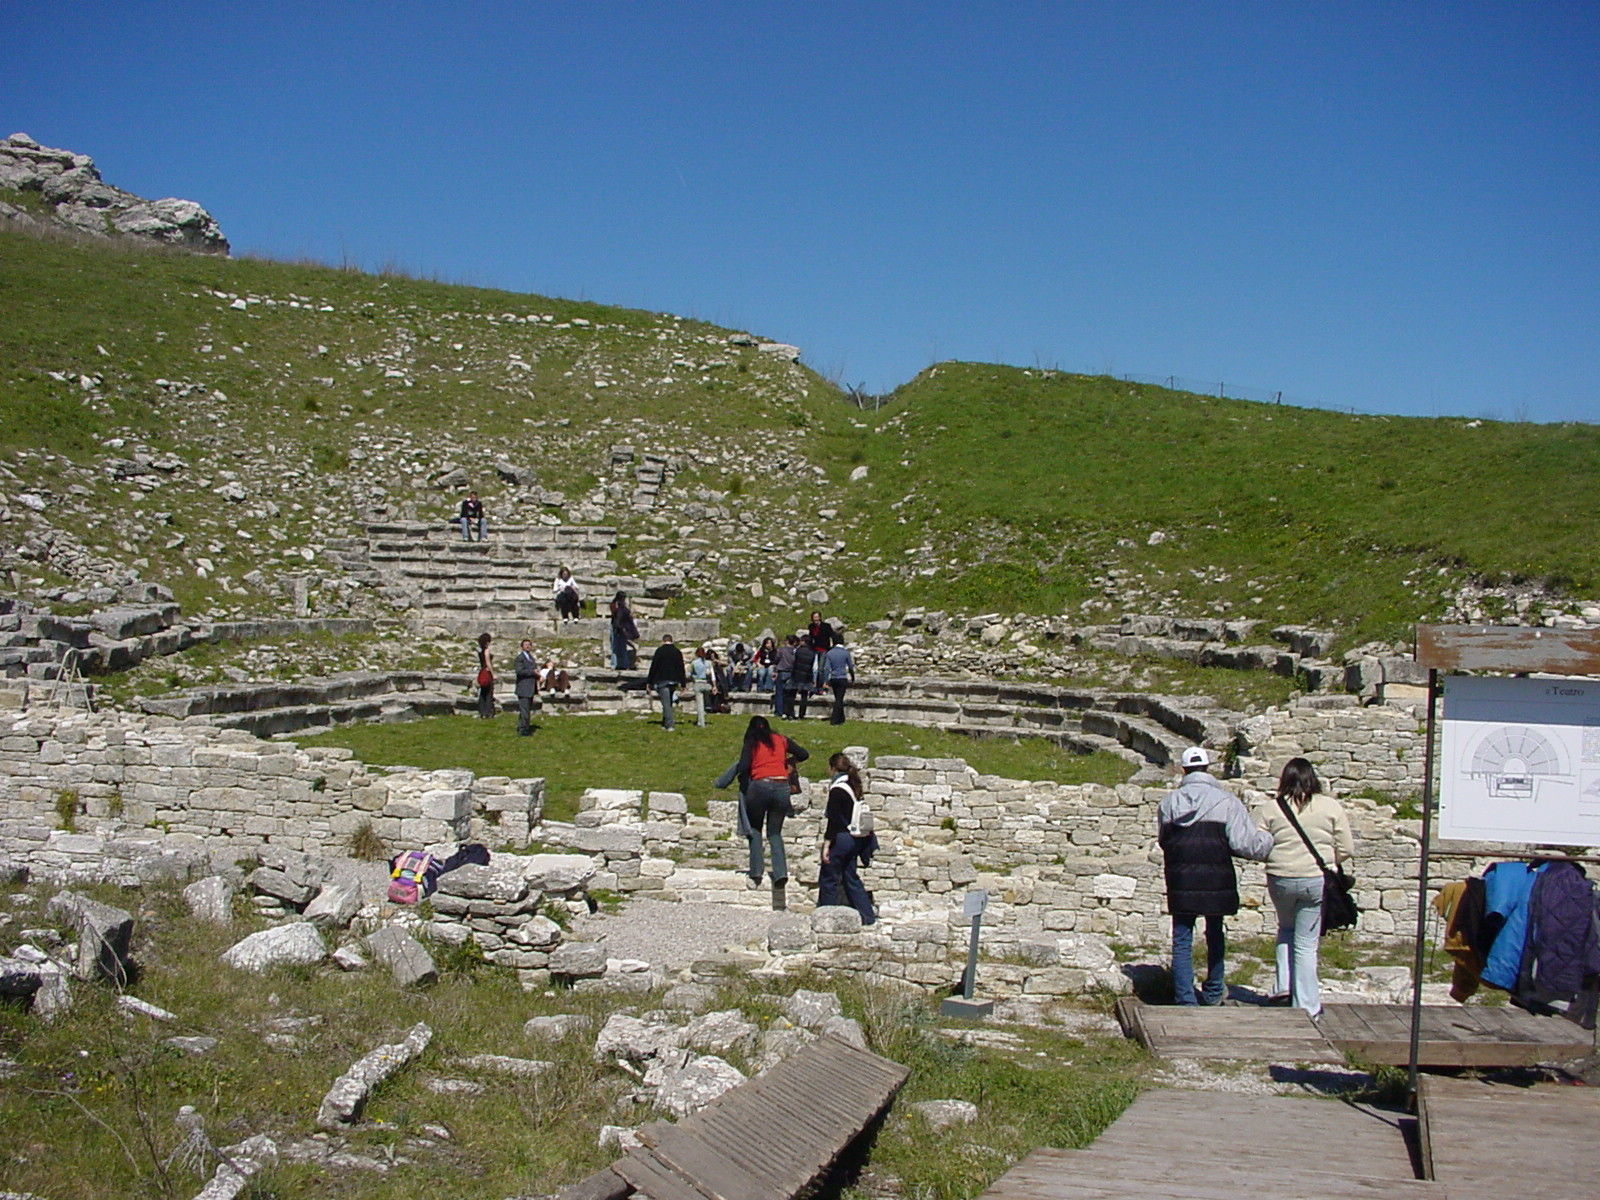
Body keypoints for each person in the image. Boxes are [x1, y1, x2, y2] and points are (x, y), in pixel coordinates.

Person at [1157, 746, 1273, 1005]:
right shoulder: (1227, 801)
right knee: (1215, 933)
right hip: (1216, 877)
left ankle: (1185, 999)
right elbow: (1243, 844)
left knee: (1182, 937)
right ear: (1208, 768)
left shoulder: (1169, 803)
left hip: (1181, 877)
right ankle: (1213, 991)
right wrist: (1269, 840)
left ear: (1184, 770)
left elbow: (1165, 841)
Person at [1253, 758, 1354, 1018]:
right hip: (1314, 878)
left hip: (1280, 877)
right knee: (1306, 944)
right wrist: (1330, 861)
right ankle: (1307, 1005)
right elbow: (1346, 848)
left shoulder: (1270, 808)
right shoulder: (1329, 806)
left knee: (1286, 929)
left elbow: (1257, 844)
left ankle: (1283, 987)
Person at [714, 716, 809, 910]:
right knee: (775, 832)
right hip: (782, 787)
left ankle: (756, 871)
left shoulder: (752, 741)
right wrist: (787, 762)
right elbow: (804, 754)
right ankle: (780, 873)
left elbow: (743, 766)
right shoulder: (781, 740)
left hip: (760, 786)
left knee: (755, 828)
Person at [817, 752, 876, 925]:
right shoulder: (853, 785)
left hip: (841, 838)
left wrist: (827, 844)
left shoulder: (837, 789)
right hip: (856, 839)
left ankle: (826, 919)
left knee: (828, 878)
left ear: (832, 768)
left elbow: (834, 820)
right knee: (850, 877)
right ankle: (867, 916)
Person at [645, 633, 686, 731]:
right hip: (674, 680)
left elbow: (654, 667)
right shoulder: (677, 652)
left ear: (663, 641)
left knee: (666, 704)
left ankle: (669, 725)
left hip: (662, 680)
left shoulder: (659, 651)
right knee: (668, 702)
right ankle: (665, 722)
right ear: (672, 641)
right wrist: (683, 683)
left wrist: (649, 682)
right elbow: (681, 668)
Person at [823, 639, 856, 725]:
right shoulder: (846, 653)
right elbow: (850, 667)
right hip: (842, 677)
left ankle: (841, 718)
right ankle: (835, 719)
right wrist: (852, 677)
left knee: (838, 697)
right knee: (839, 699)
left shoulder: (829, 653)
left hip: (834, 678)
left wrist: (826, 680)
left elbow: (827, 668)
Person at [513, 638, 539, 736]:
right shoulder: (520, 658)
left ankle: (522, 727)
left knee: (526, 709)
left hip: (530, 687)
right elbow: (519, 671)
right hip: (523, 687)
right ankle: (524, 730)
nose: (528, 646)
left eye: (529, 644)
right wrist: (532, 672)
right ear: (522, 647)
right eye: (526, 644)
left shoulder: (531, 658)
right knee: (525, 710)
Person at [807, 611, 837, 693]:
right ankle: (813, 685)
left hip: (824, 649)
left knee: (821, 669)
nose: (815, 619)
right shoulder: (811, 626)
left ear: (820, 617)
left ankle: (820, 686)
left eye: (817, 617)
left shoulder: (826, 626)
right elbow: (810, 638)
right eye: (814, 617)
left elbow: (832, 635)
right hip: (814, 649)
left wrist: (833, 646)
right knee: (814, 669)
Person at [608, 591, 638, 670]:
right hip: (615, 628)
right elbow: (615, 615)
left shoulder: (624, 607)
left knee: (623, 647)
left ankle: (624, 664)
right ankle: (614, 664)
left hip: (623, 629)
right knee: (615, 647)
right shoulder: (614, 605)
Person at [789, 633, 816, 719]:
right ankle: (802, 714)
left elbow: (793, 662)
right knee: (804, 696)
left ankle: (791, 713)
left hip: (796, 675)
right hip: (807, 676)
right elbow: (814, 667)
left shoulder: (798, 651)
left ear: (804, 642)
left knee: (792, 694)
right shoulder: (812, 652)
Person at [771, 634, 797, 718]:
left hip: (782, 672)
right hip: (792, 673)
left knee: (780, 693)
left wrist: (775, 670)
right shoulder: (795, 651)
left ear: (787, 641)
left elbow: (776, 660)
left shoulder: (781, 650)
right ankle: (788, 711)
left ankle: (779, 711)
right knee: (789, 694)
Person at [689, 645, 714, 728]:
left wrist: (693, 677)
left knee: (699, 704)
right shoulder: (708, 663)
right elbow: (712, 675)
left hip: (697, 683)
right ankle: (700, 719)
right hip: (706, 684)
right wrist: (714, 686)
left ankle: (701, 723)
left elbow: (689, 673)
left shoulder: (694, 663)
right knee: (704, 703)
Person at [474, 632, 495, 719]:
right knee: (489, 692)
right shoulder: (486, 651)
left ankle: (482, 711)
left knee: (483, 692)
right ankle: (488, 712)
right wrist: (493, 674)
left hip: (482, 671)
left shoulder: (480, 651)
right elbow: (488, 663)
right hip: (487, 672)